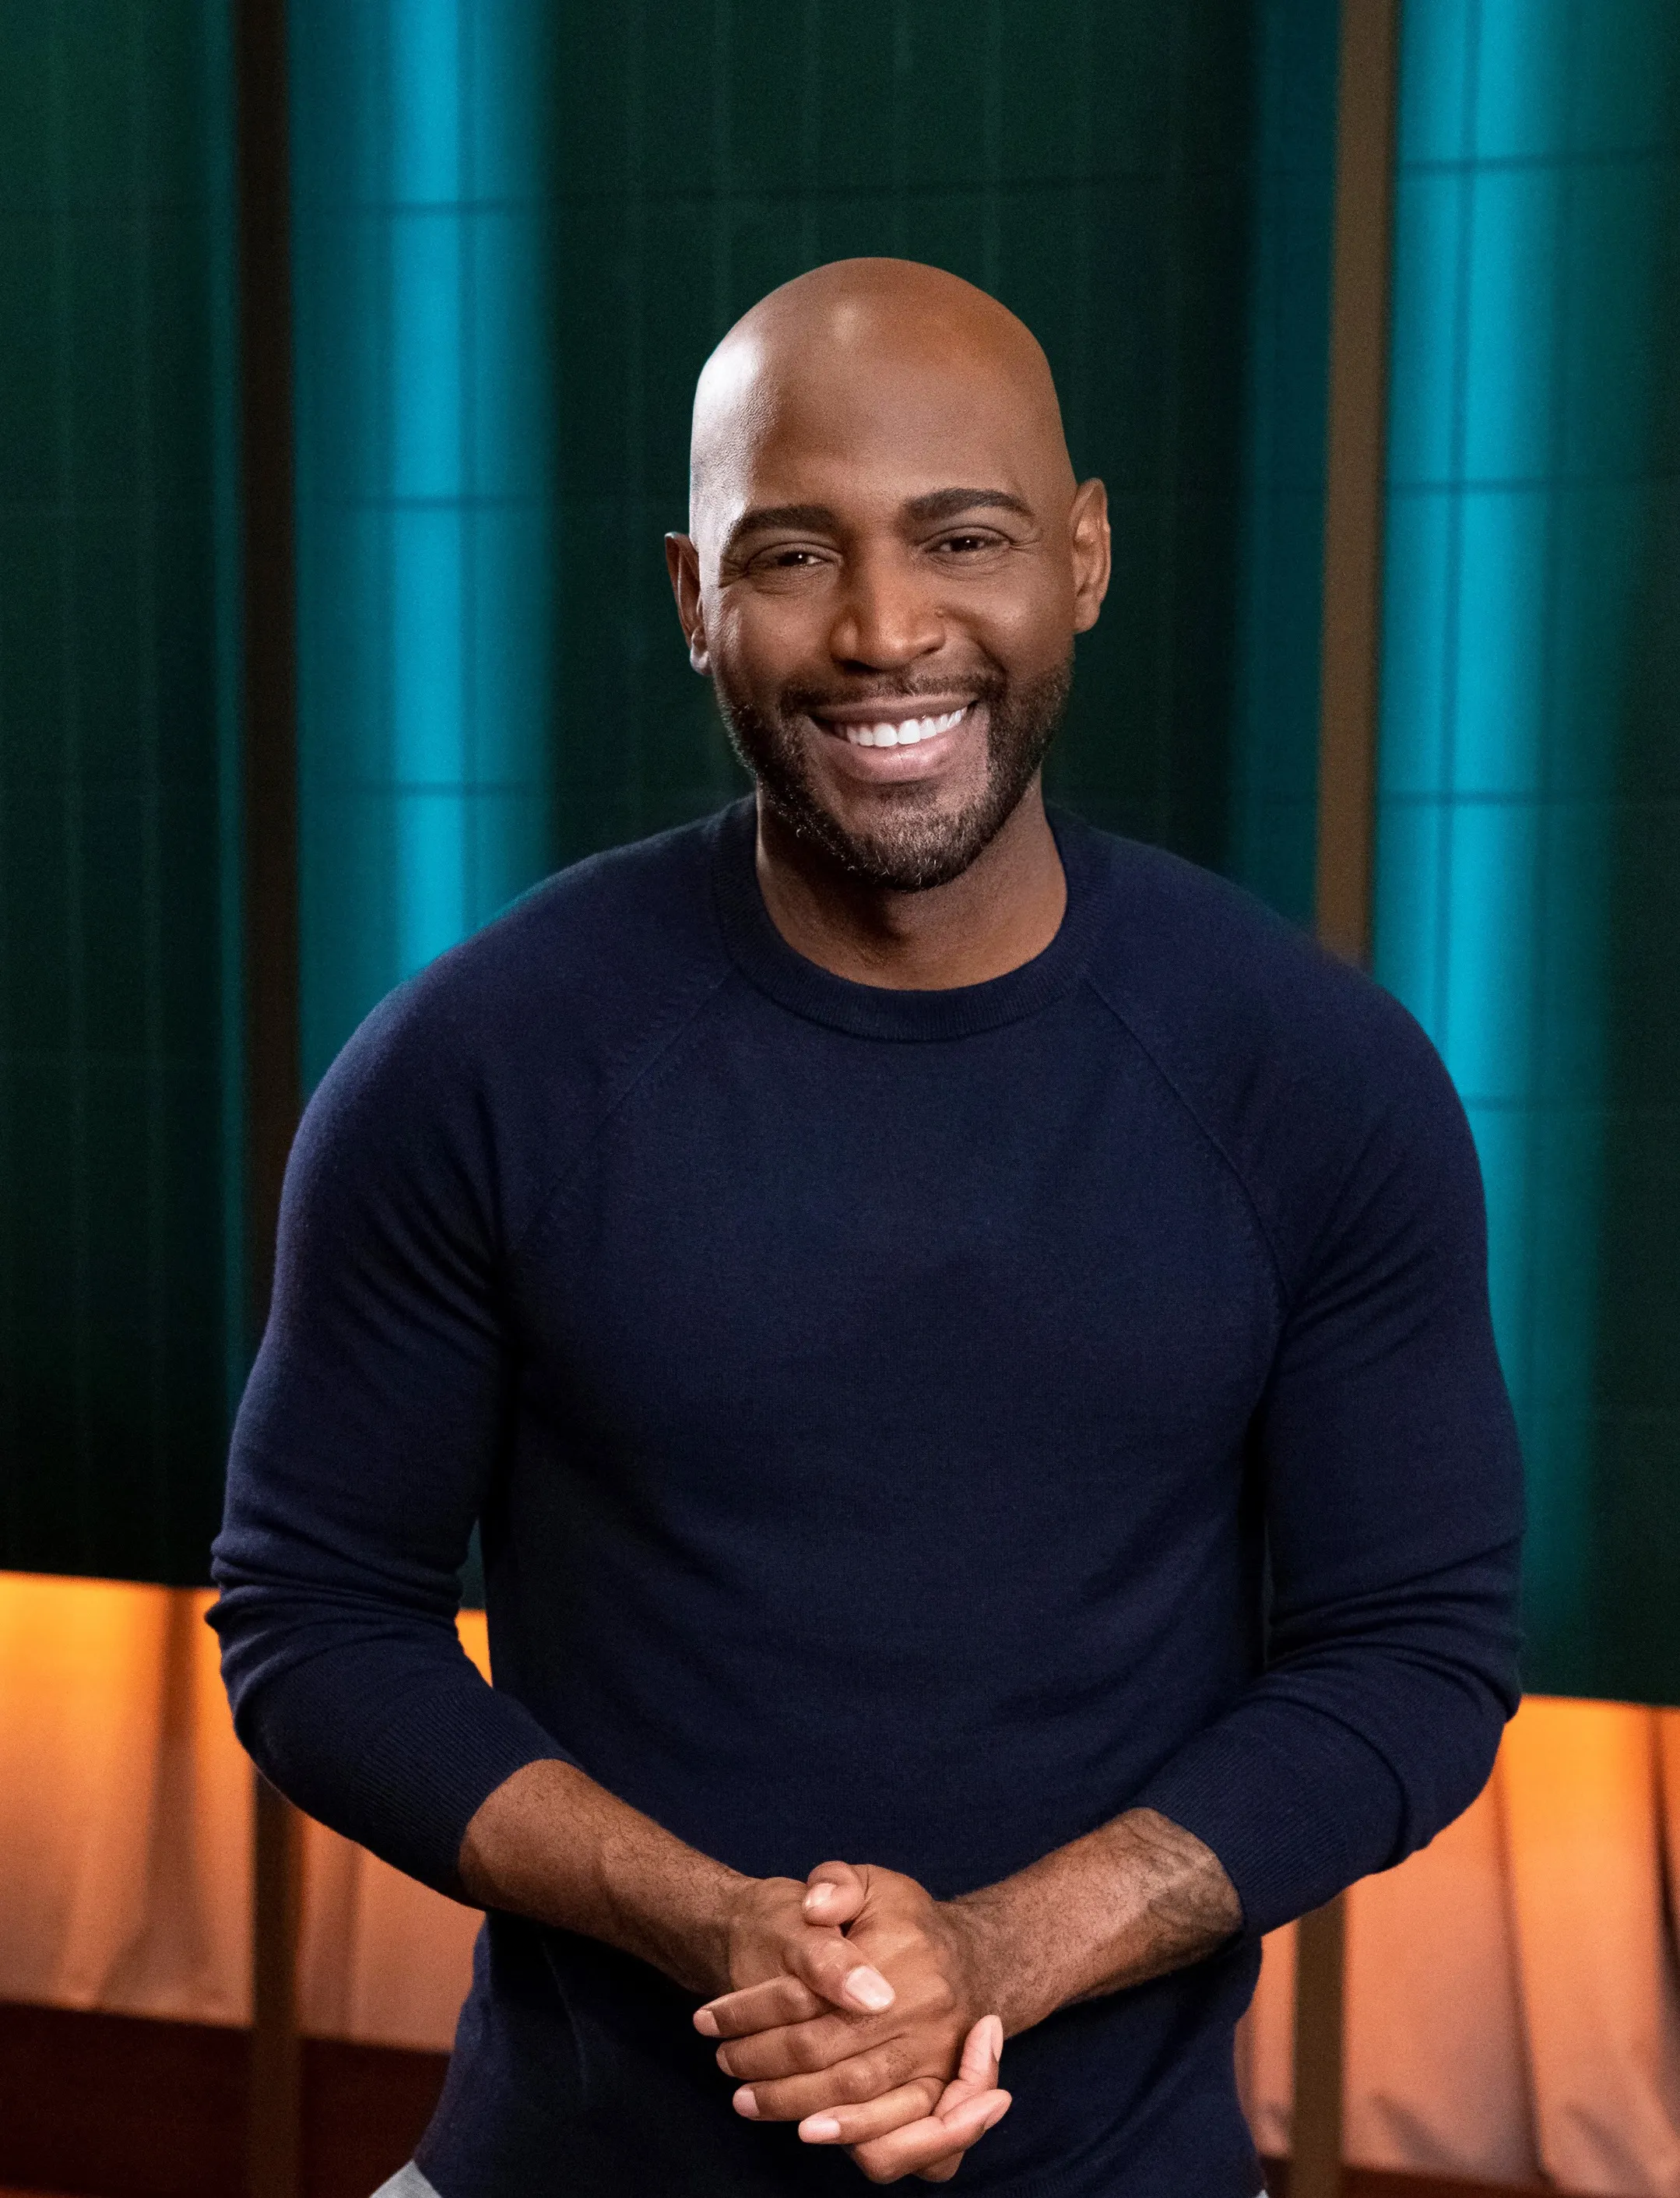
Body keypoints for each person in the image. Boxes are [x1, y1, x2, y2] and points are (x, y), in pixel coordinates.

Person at [210, 258, 1524, 2197]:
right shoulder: (475, 1064)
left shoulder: (1311, 1077)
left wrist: (996, 1954)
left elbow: (1411, 1652)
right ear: (690, 598)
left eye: (961, 538)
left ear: (1079, 556)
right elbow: (312, 1617)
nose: (884, 630)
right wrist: (711, 1922)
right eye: (792, 555)